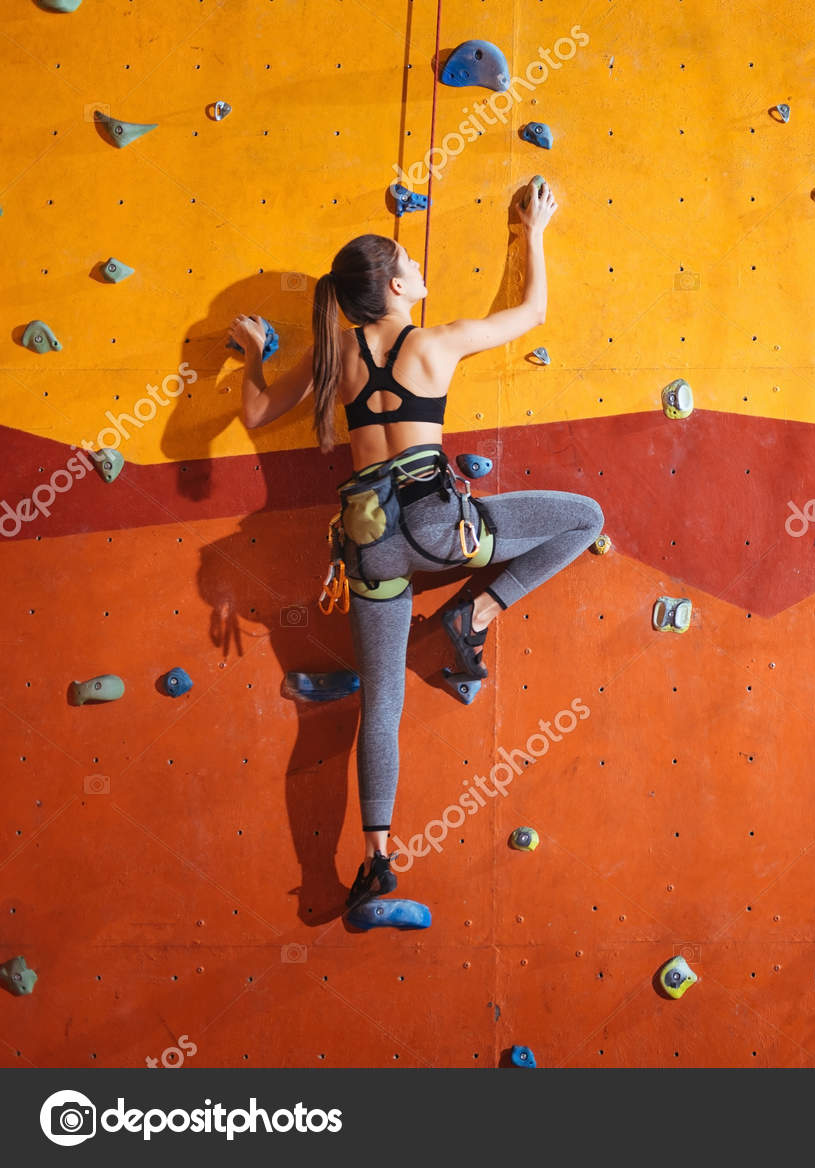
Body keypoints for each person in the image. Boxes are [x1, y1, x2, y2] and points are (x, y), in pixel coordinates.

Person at [229, 177, 603, 911]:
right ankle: (477, 616)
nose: (422, 270)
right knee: (585, 517)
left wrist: (250, 353)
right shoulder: (431, 343)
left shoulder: (333, 357)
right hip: (440, 529)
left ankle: (375, 861)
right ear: (398, 285)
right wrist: (533, 230)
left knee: (383, 706)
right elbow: (530, 312)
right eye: (412, 262)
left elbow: (258, 411)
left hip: (367, 546)